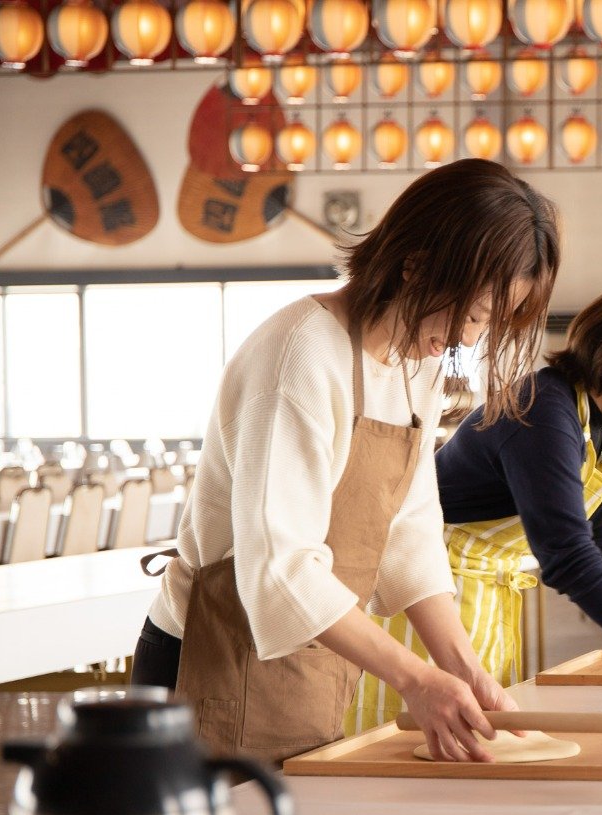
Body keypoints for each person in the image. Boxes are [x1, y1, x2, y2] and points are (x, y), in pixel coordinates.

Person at [131, 159, 561, 765]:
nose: (467, 339)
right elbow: (280, 568)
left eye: (486, 323)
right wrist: (414, 680)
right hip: (209, 656)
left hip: (312, 653)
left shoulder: (419, 363)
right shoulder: (300, 356)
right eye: (469, 313)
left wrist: (464, 668)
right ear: (415, 265)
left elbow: (408, 527)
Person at [347, 275, 602, 728]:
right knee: (409, 739)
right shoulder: (541, 409)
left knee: (473, 726)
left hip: (485, 591)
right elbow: (568, 556)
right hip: (424, 590)